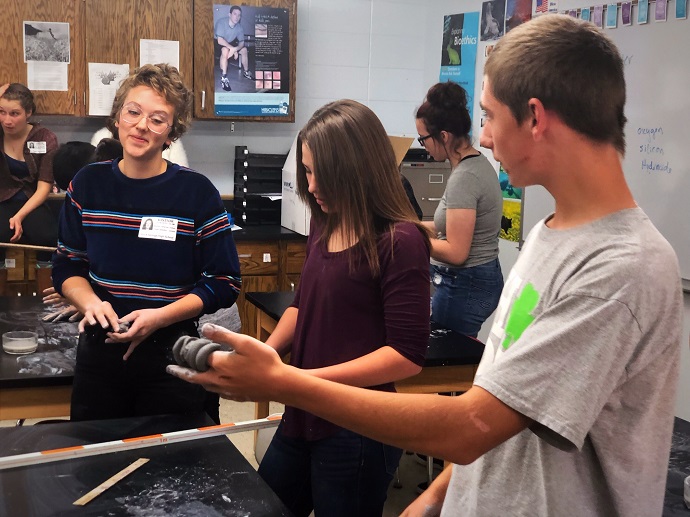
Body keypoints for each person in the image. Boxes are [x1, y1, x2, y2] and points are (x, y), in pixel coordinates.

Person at [169, 15, 682, 517]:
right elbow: (502, 403)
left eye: (488, 116)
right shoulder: (550, 238)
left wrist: (281, 383)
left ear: (535, 117)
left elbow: (472, 424)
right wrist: (433, 499)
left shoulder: (616, 271)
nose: (483, 139)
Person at [238, 100, 432, 516]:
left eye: (324, 174)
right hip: (305, 413)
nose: (312, 186)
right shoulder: (324, 223)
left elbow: (406, 356)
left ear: (360, 169)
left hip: (358, 428)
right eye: (307, 171)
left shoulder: (401, 241)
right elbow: (302, 304)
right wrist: (267, 358)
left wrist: (301, 381)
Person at [52, 63, 242, 424]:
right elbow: (67, 264)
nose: (142, 125)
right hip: (100, 352)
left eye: (157, 119)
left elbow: (224, 282)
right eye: (133, 112)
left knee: (171, 471)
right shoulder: (87, 185)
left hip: (171, 353)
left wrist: (159, 317)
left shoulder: (196, 193)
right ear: (118, 117)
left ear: (171, 133)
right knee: (96, 464)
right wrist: (89, 302)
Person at [416, 81, 503, 338]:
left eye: (424, 139)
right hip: (473, 280)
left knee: (448, 361)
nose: (423, 146)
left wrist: (411, 239)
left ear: (443, 136)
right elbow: (447, 227)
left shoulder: (465, 177)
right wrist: (407, 226)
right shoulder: (471, 166)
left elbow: (456, 252)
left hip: (466, 284)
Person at [0, 82, 58, 294]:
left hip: (32, 200)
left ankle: (47, 296)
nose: (7, 120)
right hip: (3, 199)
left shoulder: (45, 138)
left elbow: (44, 187)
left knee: (48, 237)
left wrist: (20, 216)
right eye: (2, 112)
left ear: (28, 113)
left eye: (14, 113)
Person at [215, 5, 252, 92]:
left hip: (229, 43)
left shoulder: (239, 27)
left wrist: (234, 49)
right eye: (235, 14)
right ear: (229, 14)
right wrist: (232, 49)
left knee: (244, 50)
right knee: (225, 50)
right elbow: (220, 40)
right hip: (217, 43)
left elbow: (242, 42)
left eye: (239, 15)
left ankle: (246, 72)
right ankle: (224, 78)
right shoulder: (221, 22)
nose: (237, 17)